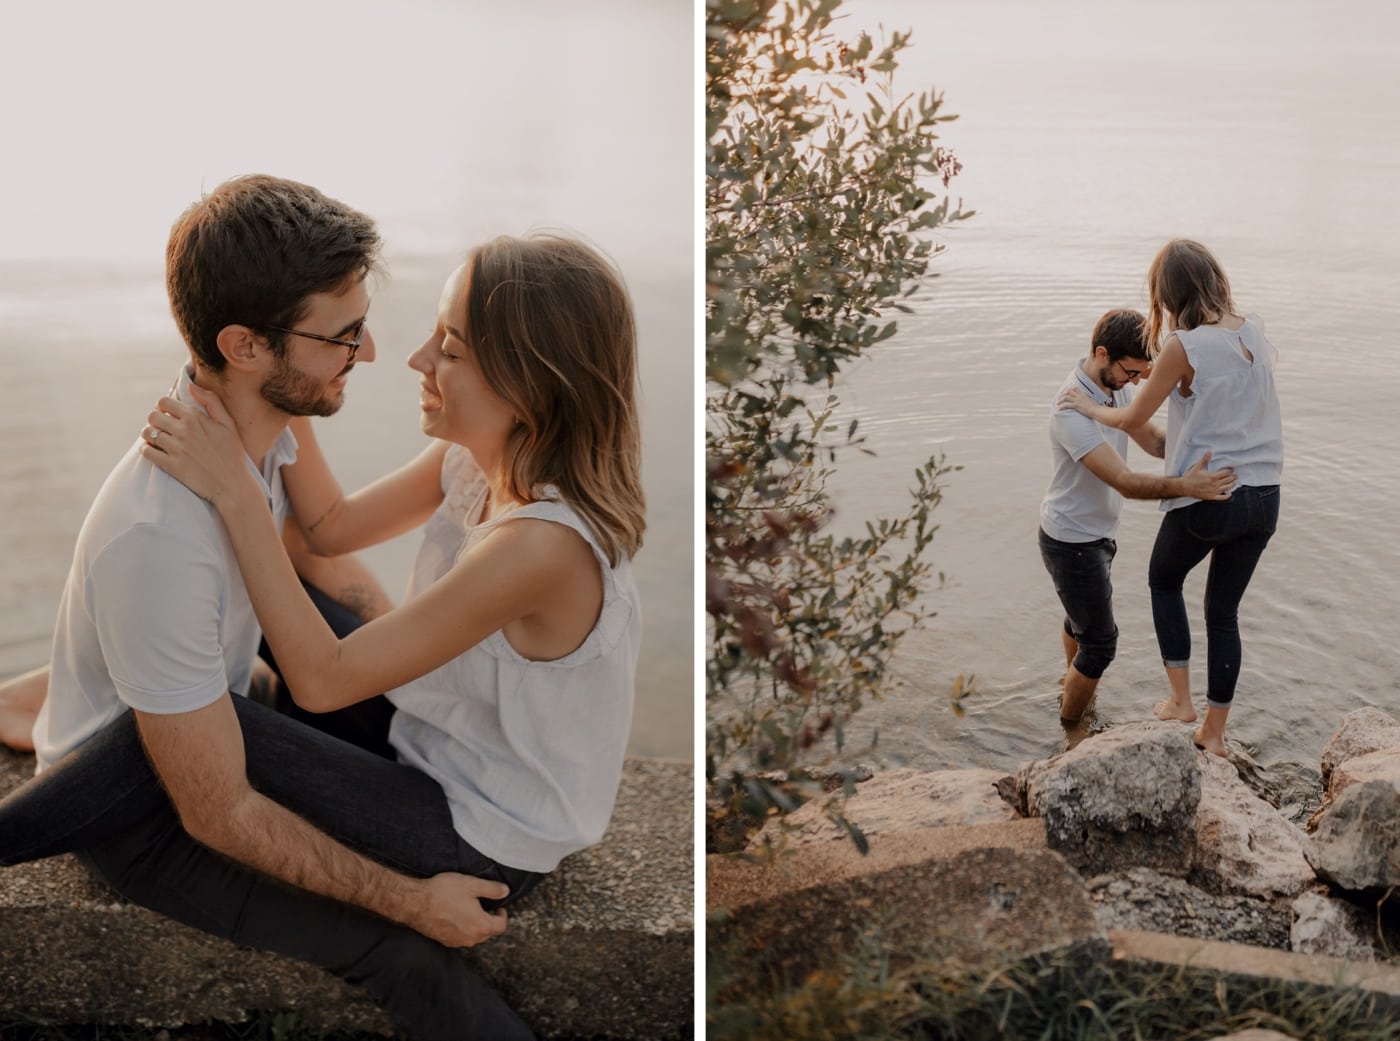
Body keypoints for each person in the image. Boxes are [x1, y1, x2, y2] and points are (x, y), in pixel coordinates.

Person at [0, 176, 640, 1041]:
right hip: (454, 750)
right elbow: (328, 530)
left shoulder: (540, 544)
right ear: (248, 347)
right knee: (230, 659)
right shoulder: (479, 459)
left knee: (208, 721)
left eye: (448, 347)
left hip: (483, 831)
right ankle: (24, 702)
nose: (401, 356)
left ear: (527, 384)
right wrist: (264, 400)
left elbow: (320, 676)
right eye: (349, 335)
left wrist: (238, 483)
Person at [1058, 241, 1282, 756]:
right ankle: (1215, 734)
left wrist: (1089, 409)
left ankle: (1181, 703)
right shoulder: (1253, 328)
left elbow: (1132, 418)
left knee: (1164, 580)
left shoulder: (1185, 346)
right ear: (1215, 278)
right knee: (1223, 613)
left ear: (1168, 295)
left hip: (1210, 494)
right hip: (1266, 493)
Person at [1041, 307, 1236, 723]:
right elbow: (1126, 481)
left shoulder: (1116, 390)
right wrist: (1187, 486)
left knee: (1080, 622)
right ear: (1101, 353)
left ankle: (1070, 683)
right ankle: (1070, 730)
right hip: (1070, 540)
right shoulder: (1069, 412)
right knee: (1100, 644)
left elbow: (1153, 441)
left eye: (1140, 374)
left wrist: (1207, 443)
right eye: (1131, 372)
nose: (1135, 382)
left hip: (1096, 535)